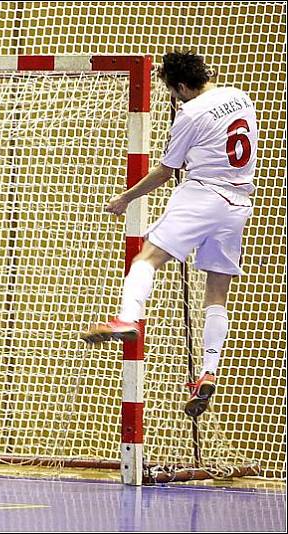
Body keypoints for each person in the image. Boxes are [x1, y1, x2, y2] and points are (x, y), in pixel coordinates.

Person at [81, 51, 257, 418]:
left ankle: (128, 317)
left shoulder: (191, 113)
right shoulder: (240, 95)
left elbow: (164, 172)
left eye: (173, 92)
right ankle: (208, 371)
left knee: (147, 257)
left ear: (179, 85)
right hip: (239, 204)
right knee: (216, 294)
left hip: (204, 194)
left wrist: (125, 199)